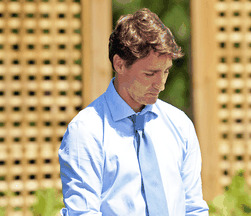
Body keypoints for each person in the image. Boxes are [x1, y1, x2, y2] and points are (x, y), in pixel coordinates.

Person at [59, 8, 209, 216]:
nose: (161, 84)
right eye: (150, 73)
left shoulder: (180, 125)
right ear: (119, 64)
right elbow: (83, 213)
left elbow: (193, 208)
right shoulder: (86, 131)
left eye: (165, 72)